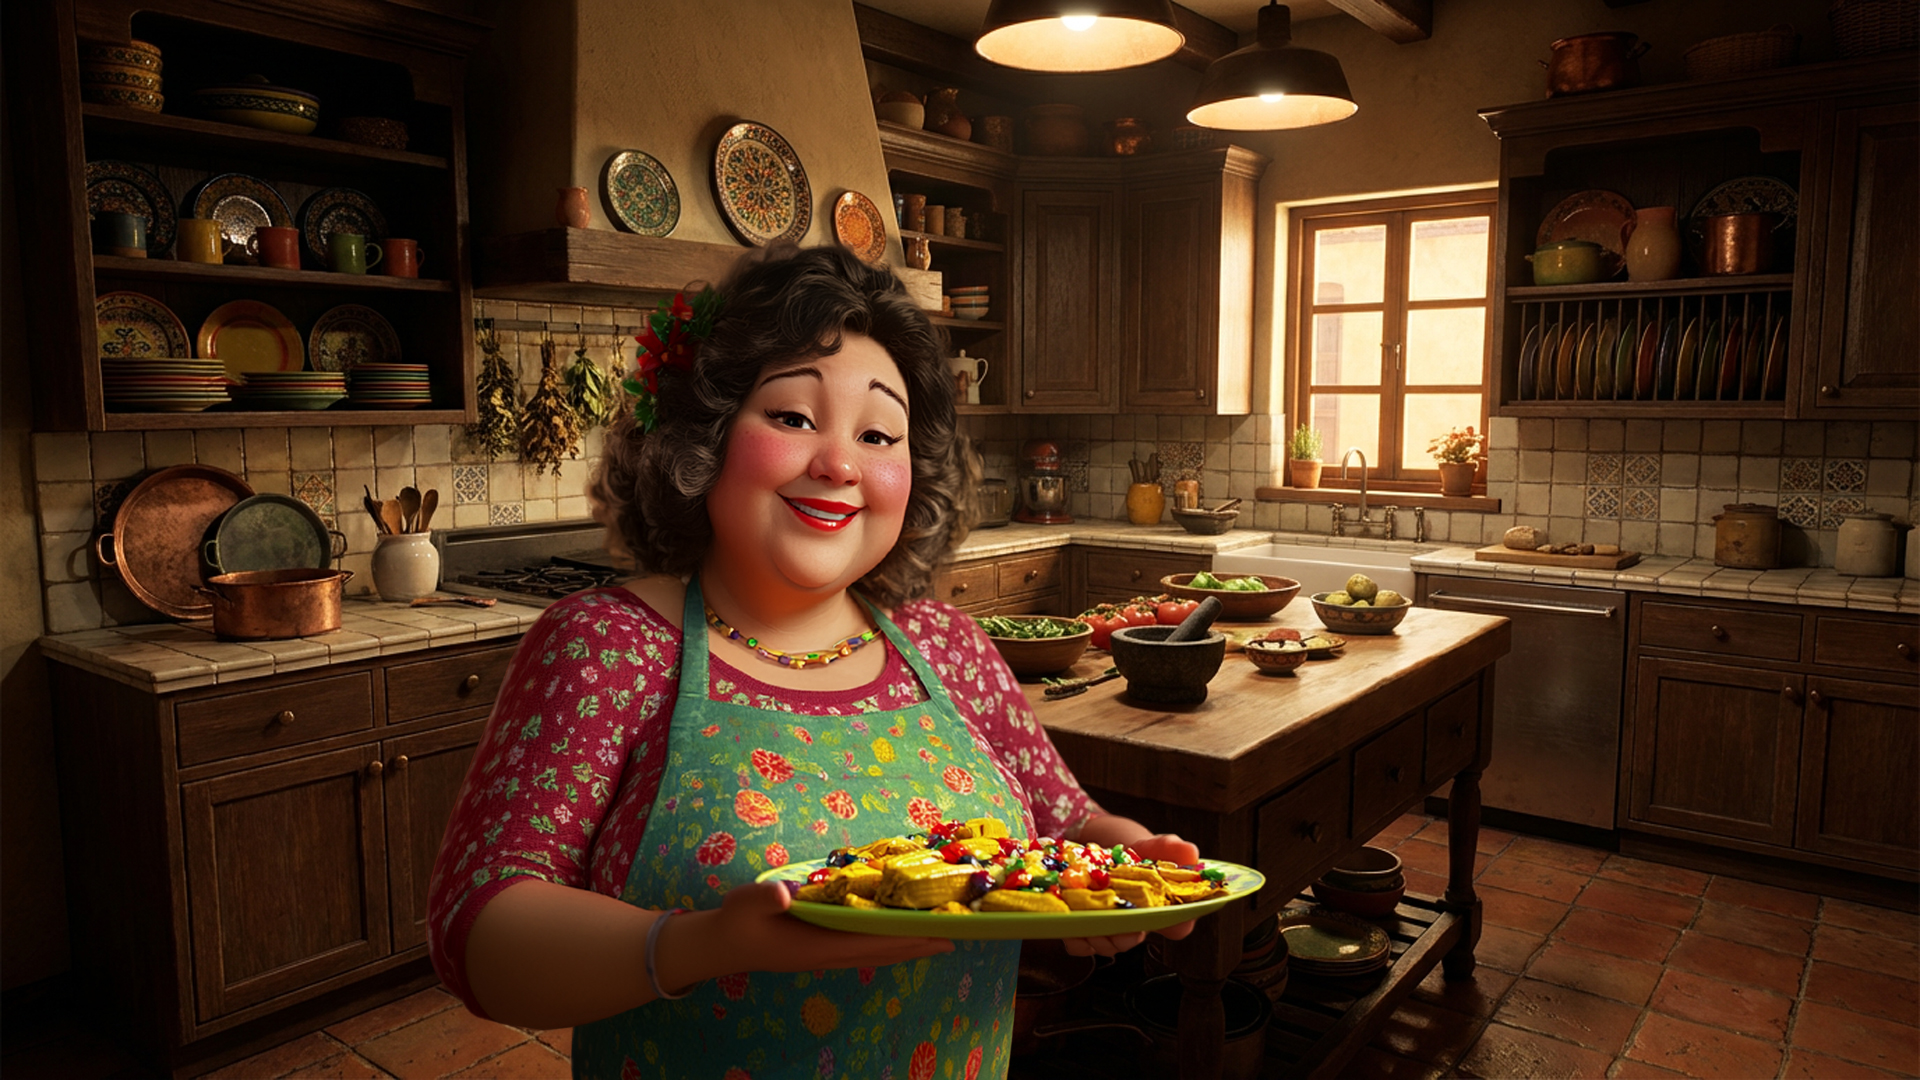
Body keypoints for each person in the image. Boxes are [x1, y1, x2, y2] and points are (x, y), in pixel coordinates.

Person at [427, 244, 1199, 1080]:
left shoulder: (950, 647)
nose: (838, 463)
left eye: (878, 433)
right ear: (705, 437)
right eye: (793, 417)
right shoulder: (607, 648)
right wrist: (701, 944)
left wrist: (1130, 861)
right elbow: (479, 930)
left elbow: (1065, 823)